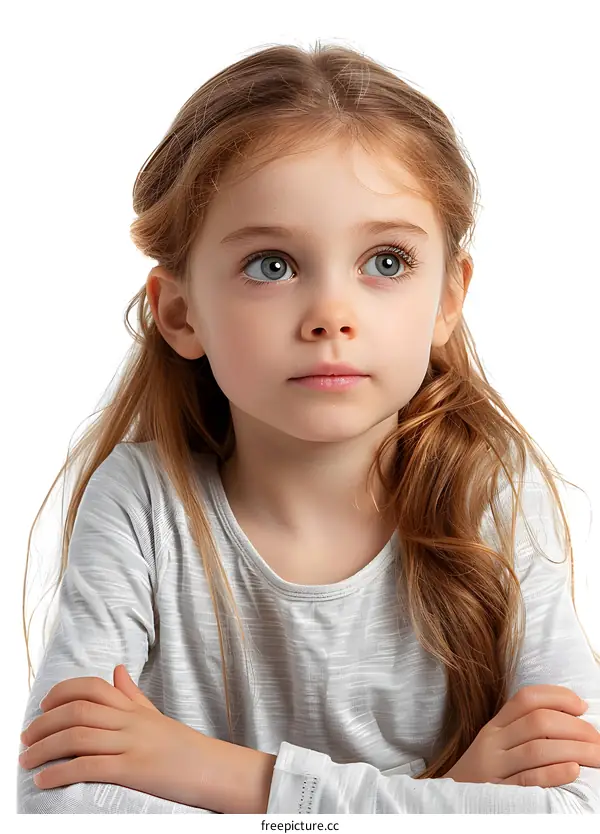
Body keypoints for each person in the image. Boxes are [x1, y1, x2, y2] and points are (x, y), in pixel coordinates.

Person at [17, 41, 600, 814]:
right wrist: (451, 800)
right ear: (181, 312)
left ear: (449, 298)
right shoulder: (140, 506)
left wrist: (226, 774)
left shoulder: (492, 494)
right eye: (271, 265)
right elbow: (62, 803)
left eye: (386, 262)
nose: (332, 315)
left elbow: (577, 809)